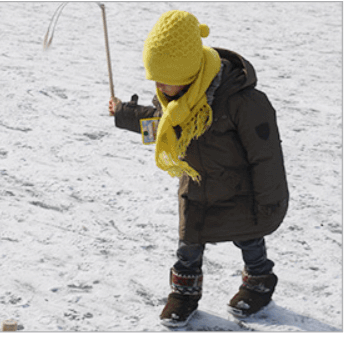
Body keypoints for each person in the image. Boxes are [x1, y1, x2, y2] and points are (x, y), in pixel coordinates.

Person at [109, 9, 288, 327]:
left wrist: (269, 202)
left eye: (167, 80)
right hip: (196, 187)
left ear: (189, 74)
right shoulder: (174, 98)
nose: (160, 87)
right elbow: (162, 127)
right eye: (155, 79)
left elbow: (267, 156)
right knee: (188, 244)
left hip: (241, 192)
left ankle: (259, 280)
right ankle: (184, 294)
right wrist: (123, 112)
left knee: (249, 239)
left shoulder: (243, 103)